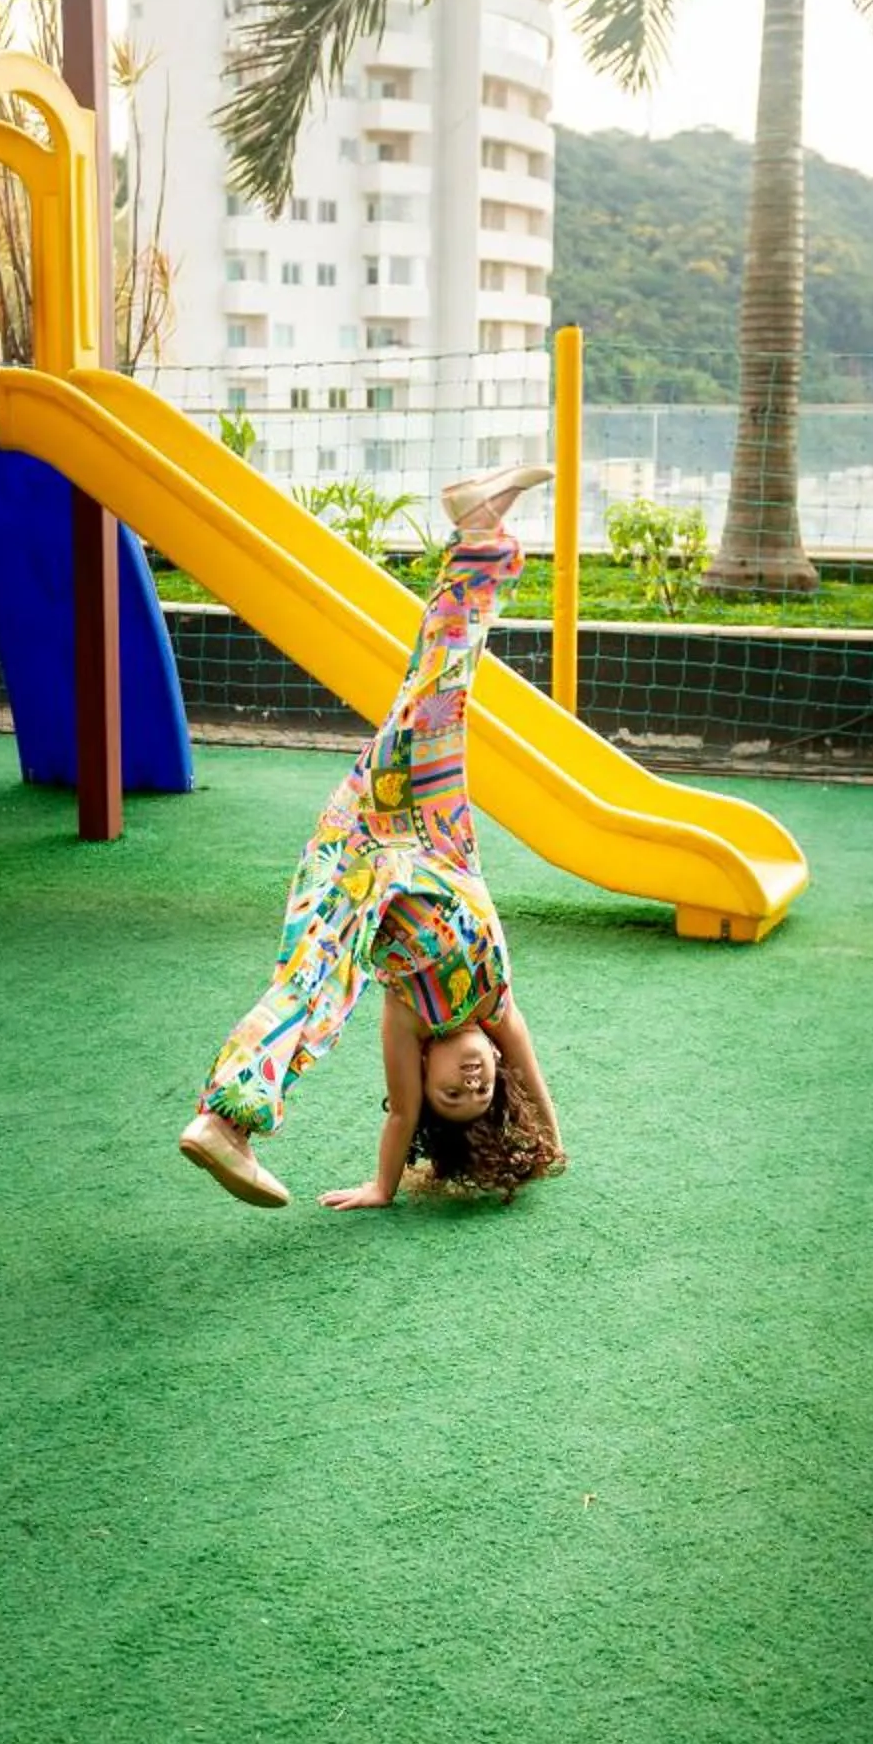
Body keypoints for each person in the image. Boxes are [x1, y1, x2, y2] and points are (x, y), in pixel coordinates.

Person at [178, 465, 567, 1211]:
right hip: (436, 834)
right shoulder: (496, 1009)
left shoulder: (408, 1016)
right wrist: (549, 1136)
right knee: (438, 694)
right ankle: (479, 536)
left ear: (423, 1073)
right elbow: (531, 1072)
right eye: (480, 1088)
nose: (471, 1083)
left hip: (364, 854)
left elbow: (399, 1115)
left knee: (319, 972)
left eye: (450, 1096)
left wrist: (382, 1187)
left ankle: (227, 1118)